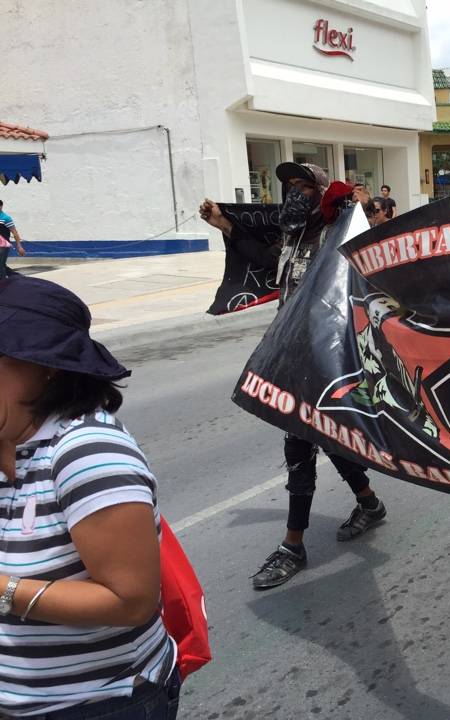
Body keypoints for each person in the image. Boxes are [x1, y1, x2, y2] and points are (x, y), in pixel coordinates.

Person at [199, 163, 387, 590]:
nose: (295, 194)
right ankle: (369, 502)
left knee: (299, 443)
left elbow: (364, 274)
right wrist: (226, 225)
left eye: (304, 186)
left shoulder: (338, 233)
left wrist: (355, 211)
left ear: (321, 191)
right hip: (291, 354)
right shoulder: (294, 236)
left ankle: (292, 545)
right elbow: (265, 261)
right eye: (288, 187)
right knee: (323, 434)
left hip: (325, 358)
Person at [0, 275, 180, 718]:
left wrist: (2, 591)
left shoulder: (86, 451)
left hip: (97, 702)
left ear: (46, 365)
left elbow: (132, 600)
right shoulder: (12, 437)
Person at [0, 200, 26, 280]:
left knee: (0, 266)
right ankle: (17, 277)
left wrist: (19, 246)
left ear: (1, 207)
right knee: (2, 265)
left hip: (3, 246)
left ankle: (3, 284)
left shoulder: (6, 218)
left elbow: (14, 232)